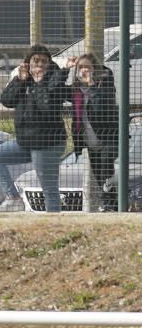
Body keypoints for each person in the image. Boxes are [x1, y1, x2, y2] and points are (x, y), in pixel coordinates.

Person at [0, 45, 71, 213]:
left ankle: (54, 220)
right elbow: (7, 101)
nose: (39, 64)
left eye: (43, 61)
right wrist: (20, 79)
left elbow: (46, 106)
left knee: (48, 188)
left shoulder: (55, 81)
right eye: (35, 60)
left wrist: (40, 83)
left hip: (47, 143)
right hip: (25, 141)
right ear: (28, 62)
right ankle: (13, 198)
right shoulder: (22, 78)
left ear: (49, 64)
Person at [70, 52, 118, 211]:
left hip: (107, 138)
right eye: (81, 67)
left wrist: (91, 84)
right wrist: (65, 69)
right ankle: (111, 205)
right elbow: (55, 89)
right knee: (100, 178)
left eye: (87, 67)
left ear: (95, 70)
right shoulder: (76, 90)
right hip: (90, 141)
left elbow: (100, 108)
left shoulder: (104, 85)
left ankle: (110, 203)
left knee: (106, 172)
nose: (84, 70)